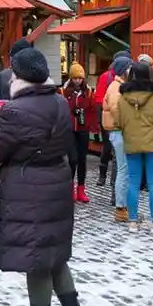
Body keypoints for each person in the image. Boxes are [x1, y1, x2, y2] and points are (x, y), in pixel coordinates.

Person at [0, 48, 91, 306]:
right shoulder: (58, 101)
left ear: (19, 76)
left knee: (37, 259)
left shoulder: (15, 110)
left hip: (28, 189)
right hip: (57, 182)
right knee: (54, 254)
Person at [117, 62, 153, 232]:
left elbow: (117, 122)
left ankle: (133, 222)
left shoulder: (122, 97)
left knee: (133, 182)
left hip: (132, 143)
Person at [101, 56, 132, 221]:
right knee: (123, 169)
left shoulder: (118, 85)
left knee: (123, 168)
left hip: (117, 131)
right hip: (119, 131)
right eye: (129, 67)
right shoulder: (117, 88)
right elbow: (117, 111)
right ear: (123, 70)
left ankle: (123, 206)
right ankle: (121, 207)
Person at [93, 50, 130, 186]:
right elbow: (99, 99)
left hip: (108, 119)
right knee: (110, 150)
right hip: (111, 120)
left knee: (110, 149)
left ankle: (107, 179)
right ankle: (105, 178)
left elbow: (98, 99)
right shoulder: (107, 78)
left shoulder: (110, 78)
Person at [62, 62, 92, 204]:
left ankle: (81, 188)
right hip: (69, 130)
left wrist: (92, 126)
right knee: (72, 159)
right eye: (75, 78)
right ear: (71, 78)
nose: (78, 81)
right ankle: (71, 188)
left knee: (82, 160)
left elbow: (91, 110)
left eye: (80, 78)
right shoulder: (64, 92)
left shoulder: (88, 91)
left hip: (83, 129)